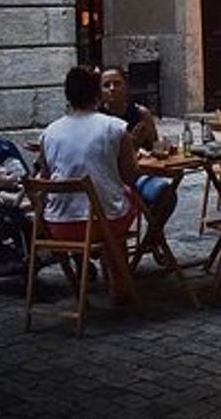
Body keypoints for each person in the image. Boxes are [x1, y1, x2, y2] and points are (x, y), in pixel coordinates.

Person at [39, 66, 139, 301]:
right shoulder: (114, 127)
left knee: (106, 203)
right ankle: (119, 284)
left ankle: (86, 281)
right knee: (128, 199)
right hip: (104, 224)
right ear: (97, 95)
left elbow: (44, 178)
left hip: (59, 226)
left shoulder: (49, 133)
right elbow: (130, 175)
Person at [100, 66, 177, 254]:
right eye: (106, 85)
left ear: (126, 87)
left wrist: (149, 144)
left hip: (138, 175)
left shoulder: (140, 113)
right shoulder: (98, 118)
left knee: (167, 194)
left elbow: (155, 148)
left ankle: (151, 238)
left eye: (116, 84)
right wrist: (130, 145)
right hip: (111, 181)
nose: (112, 89)